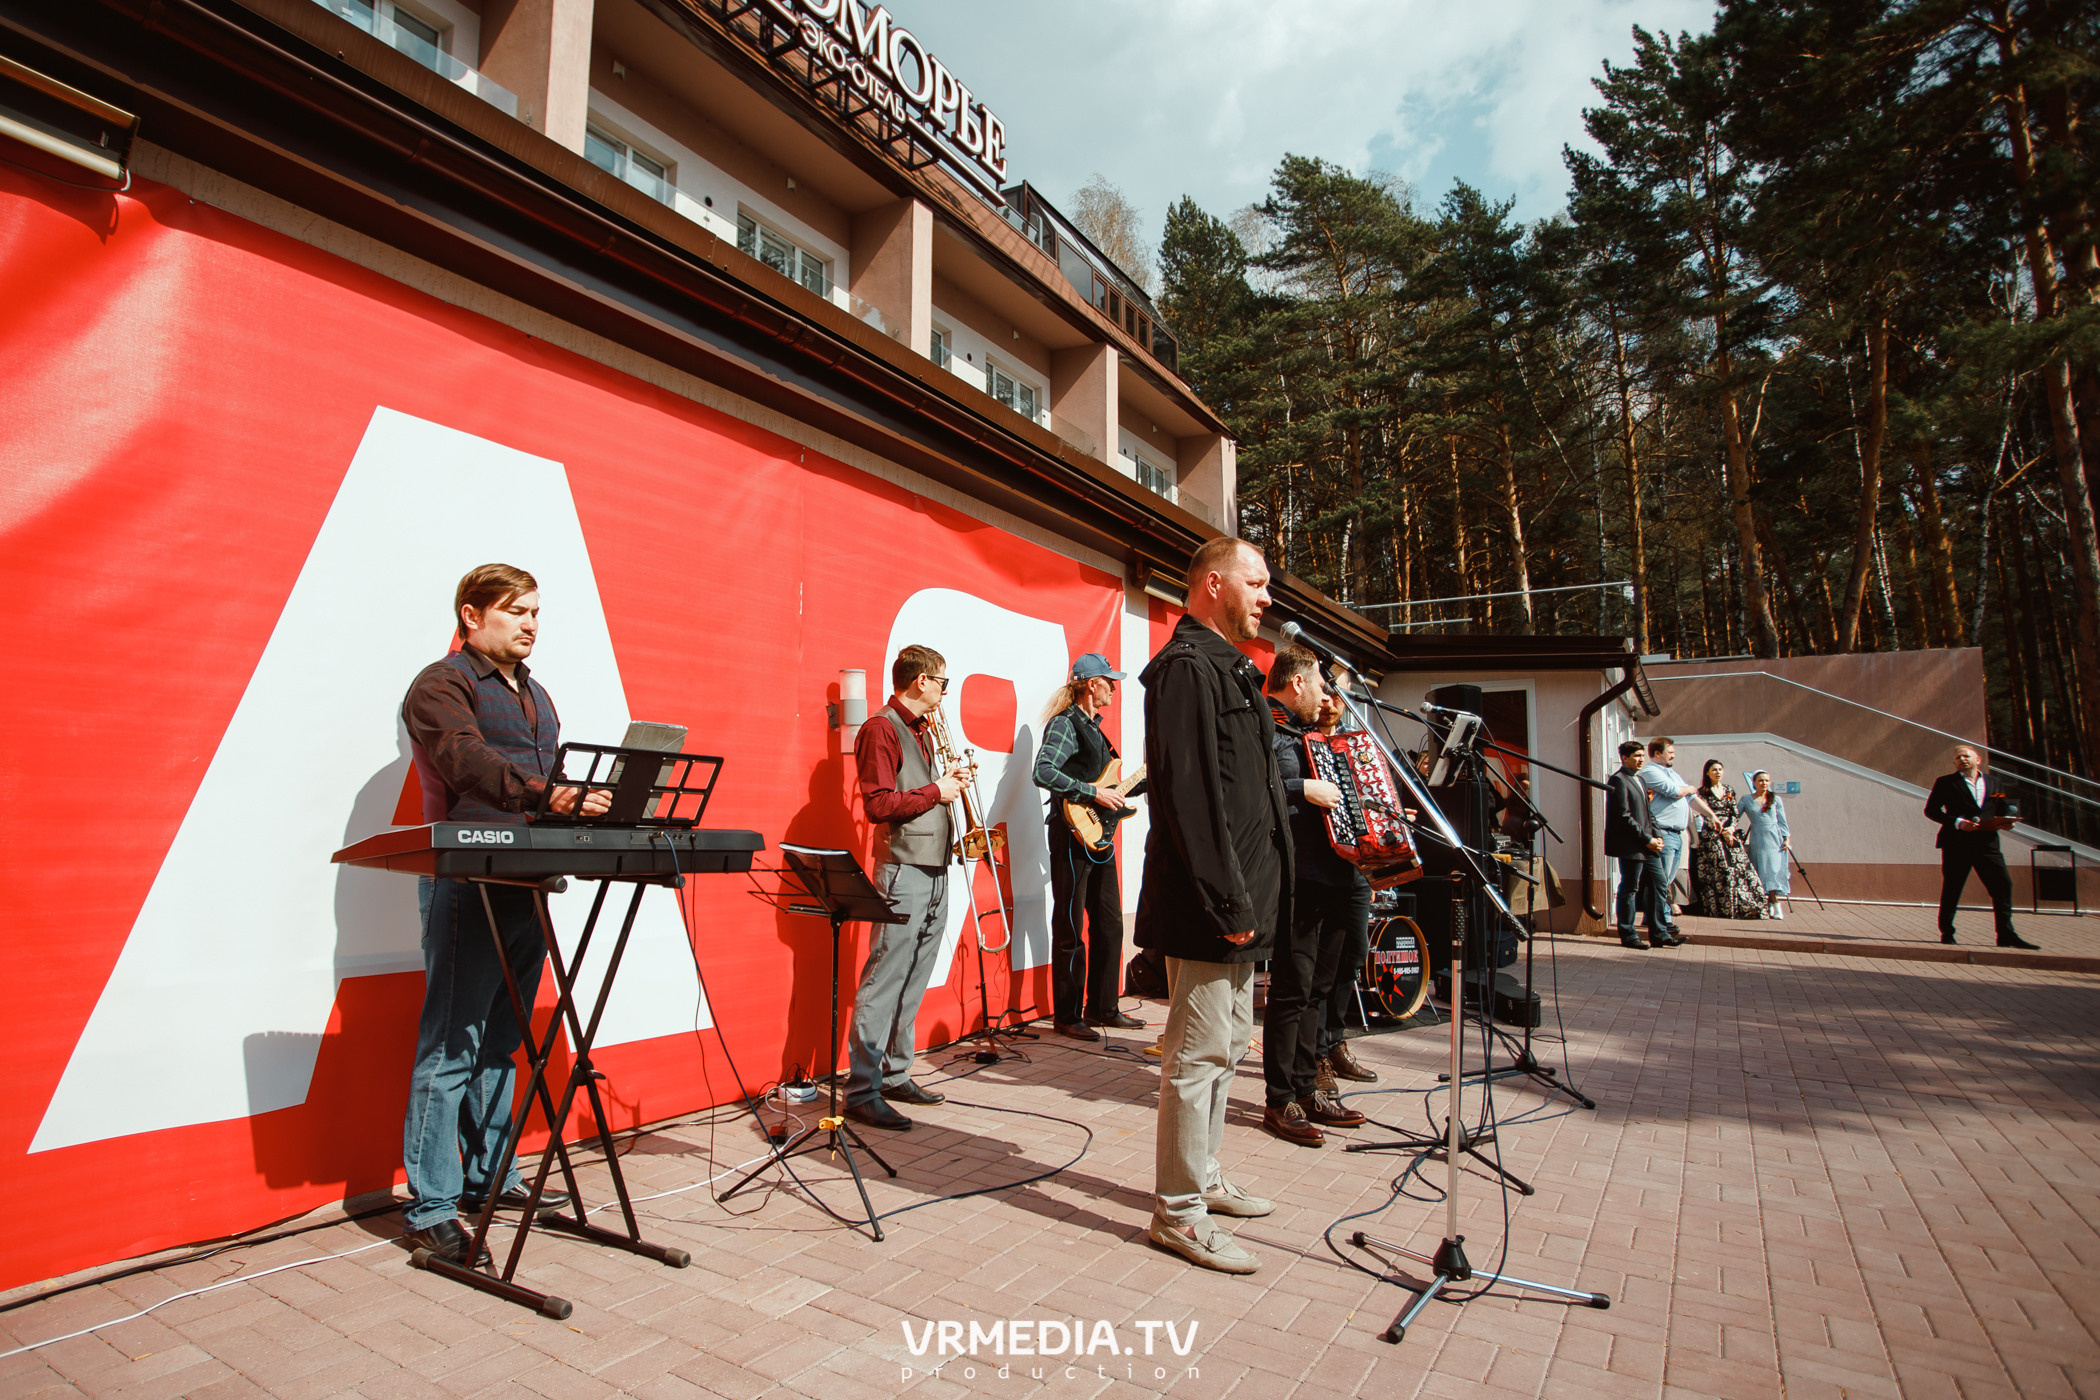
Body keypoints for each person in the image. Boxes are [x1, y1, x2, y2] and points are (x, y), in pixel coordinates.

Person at [399, 563, 611, 1266]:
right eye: (515, 611)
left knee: (502, 1040)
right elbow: (464, 760)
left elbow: (544, 778)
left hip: (528, 879)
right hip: (467, 883)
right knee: (451, 1044)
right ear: (471, 615)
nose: (529, 623)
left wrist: (583, 798)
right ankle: (431, 1204)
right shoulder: (441, 684)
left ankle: (493, 1177)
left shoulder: (537, 694)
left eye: (535, 612)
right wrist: (548, 796)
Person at [1135, 536, 1292, 1274]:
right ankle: (1179, 1214)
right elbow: (1190, 800)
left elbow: (1251, 796)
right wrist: (1230, 899)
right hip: (1212, 908)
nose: (1268, 597)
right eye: (1256, 583)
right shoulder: (1185, 670)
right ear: (1211, 584)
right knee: (1196, 1058)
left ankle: (1205, 1175)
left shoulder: (1232, 668)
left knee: (1229, 1048)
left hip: (1244, 905)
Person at [844, 645, 977, 1131]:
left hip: (933, 867)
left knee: (915, 975)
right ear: (921, 681)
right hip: (903, 871)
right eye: (943, 682)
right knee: (885, 976)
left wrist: (949, 787)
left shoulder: (923, 729)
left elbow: (920, 793)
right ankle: (861, 1089)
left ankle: (896, 1072)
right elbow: (878, 804)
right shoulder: (880, 728)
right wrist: (935, 791)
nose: (945, 690)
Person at [1259, 650, 1369, 1146]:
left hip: (1335, 872)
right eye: (1320, 686)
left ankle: (1307, 1090)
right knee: (1291, 990)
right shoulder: (1265, 723)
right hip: (1296, 877)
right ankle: (1280, 1099)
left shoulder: (1312, 733)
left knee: (1318, 988)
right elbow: (1251, 791)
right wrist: (1303, 787)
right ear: (1297, 684)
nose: (1327, 697)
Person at [1032, 653, 1147, 1040]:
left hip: (1100, 838)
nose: (1114, 687)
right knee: (1069, 926)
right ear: (1090, 684)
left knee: (1110, 923)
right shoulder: (1066, 724)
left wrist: (1145, 778)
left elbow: (1109, 787)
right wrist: (1092, 792)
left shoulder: (1096, 730)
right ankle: (1067, 1015)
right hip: (1070, 833)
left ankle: (1103, 1006)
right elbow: (1043, 770)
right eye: (1109, 681)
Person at [1313, 674, 1379, 1092]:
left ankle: (1334, 1041)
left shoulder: (1357, 746)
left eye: (1338, 694)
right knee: (1319, 965)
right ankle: (1314, 1052)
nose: (1330, 701)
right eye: (1326, 691)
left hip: (1356, 869)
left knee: (1353, 954)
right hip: (1317, 870)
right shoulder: (1302, 741)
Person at [1924, 746, 2039, 949]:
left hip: (1987, 843)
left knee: (2003, 885)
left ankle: (2005, 934)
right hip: (1957, 843)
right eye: (1957, 757)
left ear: (1978, 759)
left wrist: (2008, 821)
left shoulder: (1994, 782)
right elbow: (1931, 810)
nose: (1961, 759)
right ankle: (1947, 932)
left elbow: (2000, 807)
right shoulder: (1946, 783)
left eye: (1965, 756)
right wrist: (1958, 822)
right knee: (1953, 887)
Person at [1637, 737, 1722, 941]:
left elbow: (1691, 798)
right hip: (1663, 833)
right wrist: (1690, 789)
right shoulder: (1651, 771)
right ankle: (1663, 920)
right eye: (1670, 751)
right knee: (1662, 880)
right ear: (1657, 753)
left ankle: (1653, 917)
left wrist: (1711, 815)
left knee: (1665, 880)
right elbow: (1675, 792)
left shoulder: (1672, 773)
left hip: (1676, 834)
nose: (1673, 755)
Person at [1604, 740, 1673, 949]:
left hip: (1649, 843)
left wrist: (1658, 836)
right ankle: (1628, 934)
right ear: (1624, 758)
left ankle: (1659, 933)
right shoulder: (1618, 780)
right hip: (1632, 845)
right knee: (1630, 888)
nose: (1641, 759)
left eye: (1643, 755)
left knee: (1659, 884)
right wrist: (1647, 839)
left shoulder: (1641, 780)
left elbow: (1648, 811)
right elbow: (1623, 816)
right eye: (1636, 756)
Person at [1688, 759, 1768, 919]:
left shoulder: (1729, 790)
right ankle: (1724, 908)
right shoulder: (1702, 792)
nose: (1718, 772)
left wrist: (1730, 829)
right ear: (1708, 773)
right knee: (1723, 870)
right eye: (1714, 769)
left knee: (1743, 869)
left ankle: (1748, 905)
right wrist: (1721, 830)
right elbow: (1704, 814)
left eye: (1720, 769)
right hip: (1712, 834)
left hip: (1730, 833)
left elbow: (1734, 813)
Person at [1741, 771, 1793, 918]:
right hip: (1758, 838)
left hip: (1774, 839)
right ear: (1754, 783)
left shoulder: (1775, 799)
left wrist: (1787, 838)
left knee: (1773, 871)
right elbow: (1734, 815)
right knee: (1760, 870)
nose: (1763, 783)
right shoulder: (1746, 799)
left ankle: (1775, 903)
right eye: (1760, 780)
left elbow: (1782, 821)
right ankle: (1767, 903)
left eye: (1766, 780)